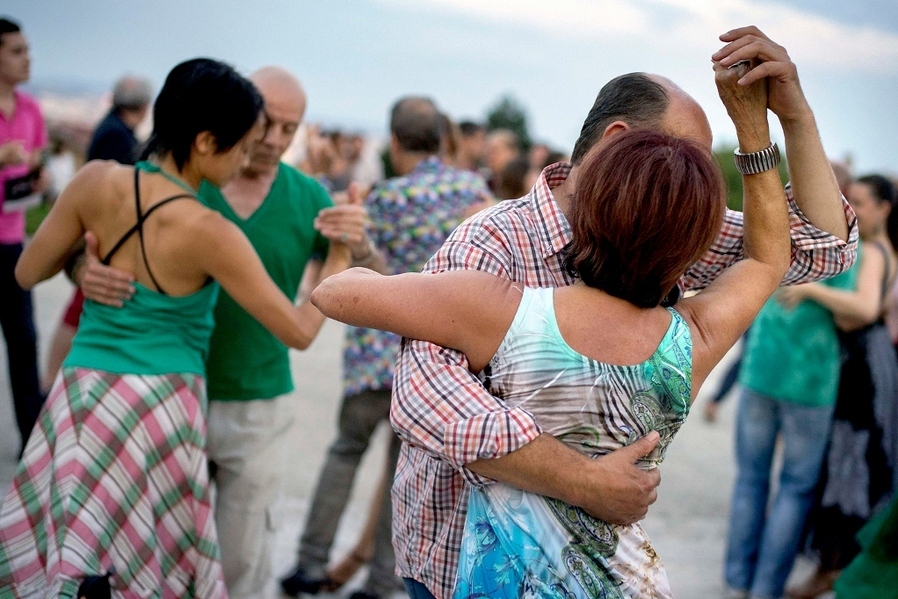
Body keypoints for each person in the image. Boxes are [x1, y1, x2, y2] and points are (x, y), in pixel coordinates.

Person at [390, 26, 857, 599]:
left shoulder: (670, 225)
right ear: (618, 140)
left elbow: (822, 249)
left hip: (588, 571)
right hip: (460, 563)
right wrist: (584, 479)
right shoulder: (494, 241)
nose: (692, 177)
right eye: (681, 154)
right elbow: (422, 397)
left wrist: (793, 117)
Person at [308, 63, 793, 595]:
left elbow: (338, 293)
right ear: (699, 251)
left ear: (592, 204)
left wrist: (360, 258)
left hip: (481, 581)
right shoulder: (692, 340)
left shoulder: (502, 309)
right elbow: (770, 256)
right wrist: (754, 128)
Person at [0, 57, 350, 597]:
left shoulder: (96, 181)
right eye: (242, 145)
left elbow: (26, 270)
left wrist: (80, 265)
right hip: (161, 407)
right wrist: (339, 259)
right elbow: (300, 331)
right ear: (207, 142)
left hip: (84, 397)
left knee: (72, 554)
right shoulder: (211, 230)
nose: (245, 160)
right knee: (147, 566)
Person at [280, 96, 491, 599]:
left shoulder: (382, 200)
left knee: (344, 452)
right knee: (404, 478)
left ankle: (309, 565)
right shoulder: (474, 192)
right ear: (441, 139)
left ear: (394, 141)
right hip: (430, 365)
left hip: (372, 355)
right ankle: (380, 582)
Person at [780, 174, 898, 599]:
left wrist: (811, 290)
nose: (855, 209)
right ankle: (840, 568)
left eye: (862, 203)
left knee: (850, 465)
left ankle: (835, 568)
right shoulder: (883, 250)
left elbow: (863, 310)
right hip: (870, 364)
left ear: (885, 208)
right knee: (857, 464)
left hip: (864, 367)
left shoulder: (872, 251)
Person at [41, 75, 154, 394]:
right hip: (105, 232)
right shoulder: (118, 136)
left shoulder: (111, 127)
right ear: (144, 106)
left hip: (102, 230)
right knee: (83, 302)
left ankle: (51, 380)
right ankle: (51, 380)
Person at [0, 16, 47, 458]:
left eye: (27, 50)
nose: (27, 58)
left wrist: (37, 178)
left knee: (24, 340)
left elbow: (33, 167)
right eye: (16, 51)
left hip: (12, 241)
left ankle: (31, 439)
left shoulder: (32, 110)